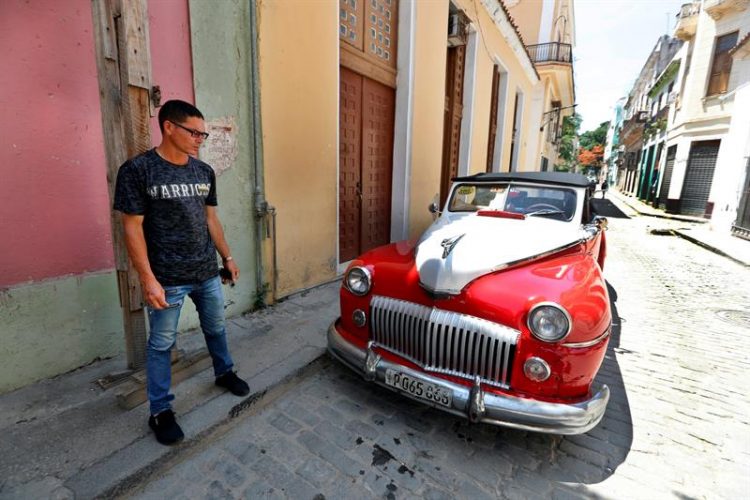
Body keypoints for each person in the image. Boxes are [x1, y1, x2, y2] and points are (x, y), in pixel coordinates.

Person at [114, 100, 249, 445]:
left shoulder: (203, 172)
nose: (199, 139)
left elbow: (210, 219)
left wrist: (228, 257)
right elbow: (132, 229)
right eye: (194, 132)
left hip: (205, 270)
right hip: (166, 279)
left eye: (203, 133)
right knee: (161, 345)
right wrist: (147, 279)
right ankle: (160, 411)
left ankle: (224, 372)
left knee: (216, 327)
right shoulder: (138, 170)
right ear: (169, 127)